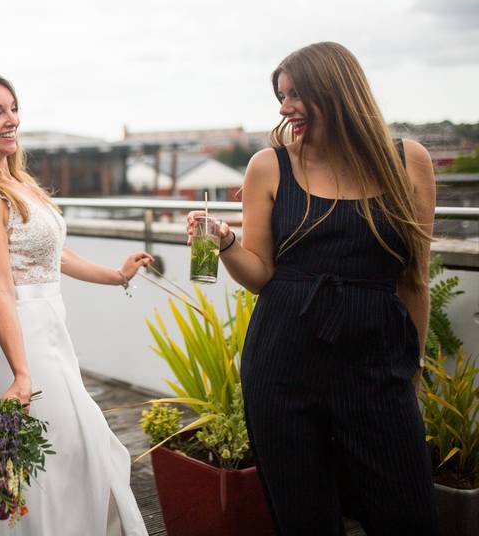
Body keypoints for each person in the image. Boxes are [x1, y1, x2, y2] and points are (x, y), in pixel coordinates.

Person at [187, 42, 438, 534]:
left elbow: (415, 279)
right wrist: (224, 241)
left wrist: (413, 365)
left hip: (376, 363)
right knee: (304, 519)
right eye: (281, 96)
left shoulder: (408, 161)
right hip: (283, 363)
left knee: (409, 514)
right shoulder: (270, 165)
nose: (284, 108)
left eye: (296, 93)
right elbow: (260, 274)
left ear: (337, 89)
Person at [0, 70, 151, 536]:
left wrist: (115, 276)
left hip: (50, 329)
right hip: (20, 337)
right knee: (53, 461)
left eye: (13, 109)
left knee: (76, 449)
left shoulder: (16, 181)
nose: (11, 120)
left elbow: (55, 254)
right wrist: (20, 372)